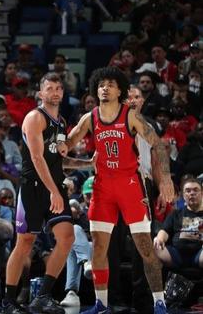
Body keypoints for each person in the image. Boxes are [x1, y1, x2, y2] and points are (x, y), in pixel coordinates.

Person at [58, 67, 175, 314]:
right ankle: (101, 303)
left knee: (145, 247)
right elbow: (63, 152)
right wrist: (76, 158)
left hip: (130, 186)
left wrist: (164, 178)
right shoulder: (89, 118)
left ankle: (159, 302)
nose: (105, 88)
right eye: (101, 84)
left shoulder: (130, 116)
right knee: (99, 248)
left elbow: (158, 145)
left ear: (120, 90)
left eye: (110, 84)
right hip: (103, 188)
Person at [2, 73, 93, 314]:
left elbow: (57, 160)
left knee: (67, 237)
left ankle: (42, 295)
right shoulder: (35, 117)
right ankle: (9, 301)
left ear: (63, 93)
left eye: (58, 88)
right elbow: (37, 158)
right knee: (25, 243)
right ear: (40, 94)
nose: (54, 92)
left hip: (54, 187)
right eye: (49, 88)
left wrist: (89, 163)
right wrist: (54, 191)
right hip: (33, 188)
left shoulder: (61, 122)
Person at [153, 178, 202, 269]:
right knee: (156, 244)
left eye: (195, 190)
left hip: (199, 254)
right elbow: (164, 231)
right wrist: (160, 239)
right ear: (183, 195)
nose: (192, 193)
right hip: (175, 254)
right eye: (188, 191)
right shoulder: (175, 214)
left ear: (202, 193)